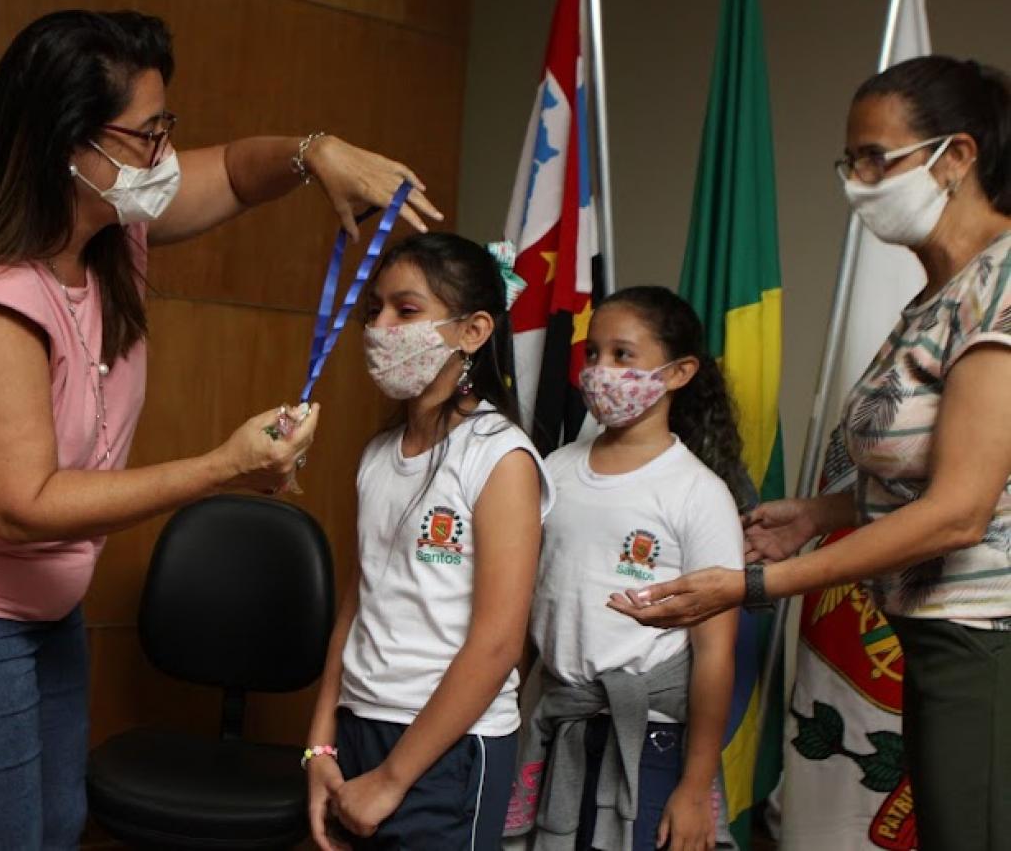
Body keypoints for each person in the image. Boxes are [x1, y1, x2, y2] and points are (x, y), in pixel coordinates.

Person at [0, 9, 442, 850]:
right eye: (146, 135)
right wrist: (224, 465)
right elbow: (19, 504)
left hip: (35, 597)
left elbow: (239, 173)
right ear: (66, 142)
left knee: (53, 826)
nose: (164, 156)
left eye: (165, 128)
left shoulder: (111, 227)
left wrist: (313, 152)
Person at [607, 56, 1011, 850]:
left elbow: (961, 510)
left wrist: (757, 583)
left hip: (985, 641)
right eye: (849, 160)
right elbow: (926, 466)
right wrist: (816, 515)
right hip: (934, 634)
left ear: (955, 157)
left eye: (876, 159)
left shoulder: (1000, 285)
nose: (857, 181)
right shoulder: (940, 292)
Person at [303, 233, 549, 850]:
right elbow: (355, 607)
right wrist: (320, 745)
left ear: (472, 331)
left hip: (447, 747)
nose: (382, 326)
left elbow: (497, 645)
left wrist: (392, 778)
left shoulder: (500, 458)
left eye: (406, 311)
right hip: (361, 729)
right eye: (375, 310)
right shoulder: (377, 455)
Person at [510, 287, 742, 851]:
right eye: (593, 355)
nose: (600, 371)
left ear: (680, 372)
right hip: (558, 720)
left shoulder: (697, 493)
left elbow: (714, 654)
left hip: (652, 735)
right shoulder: (552, 472)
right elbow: (520, 614)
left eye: (622, 355)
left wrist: (692, 788)